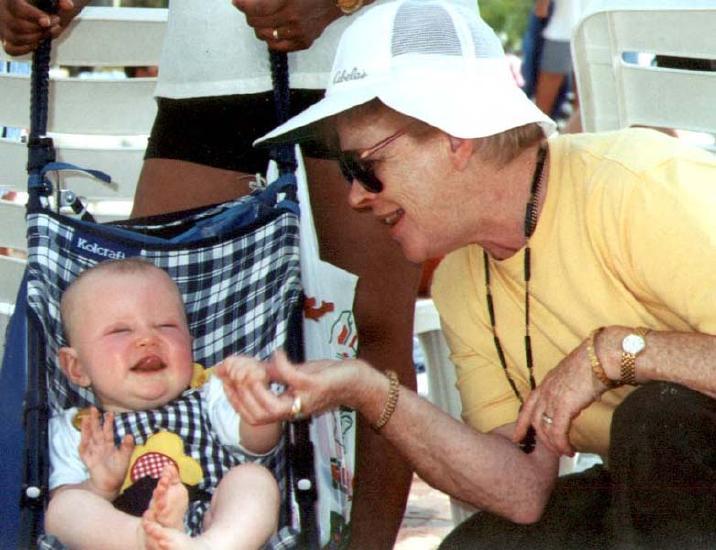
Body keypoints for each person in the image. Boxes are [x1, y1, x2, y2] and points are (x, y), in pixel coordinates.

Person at [219, 1, 715, 547]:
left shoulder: (639, 189)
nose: (356, 196)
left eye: (365, 167)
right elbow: (521, 489)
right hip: (671, 505)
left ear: (456, 136)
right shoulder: (463, 276)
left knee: (660, 421)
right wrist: (365, 389)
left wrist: (619, 352)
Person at [0, 0, 421, 547]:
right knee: (140, 279)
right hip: (213, 57)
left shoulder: (211, 402)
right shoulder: (82, 431)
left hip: (368, 44)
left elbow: (259, 433)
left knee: (373, 327)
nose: (145, 340)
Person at [45, 258, 284, 549]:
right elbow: (67, 511)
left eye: (166, 326)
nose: (148, 339)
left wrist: (256, 398)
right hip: (121, 535)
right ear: (77, 367)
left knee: (253, 478)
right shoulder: (78, 430)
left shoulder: (211, 394)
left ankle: (214, 545)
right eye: (121, 331)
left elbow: (260, 444)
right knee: (63, 507)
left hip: (210, 525)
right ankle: (145, 539)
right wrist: (100, 486)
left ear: (190, 343)